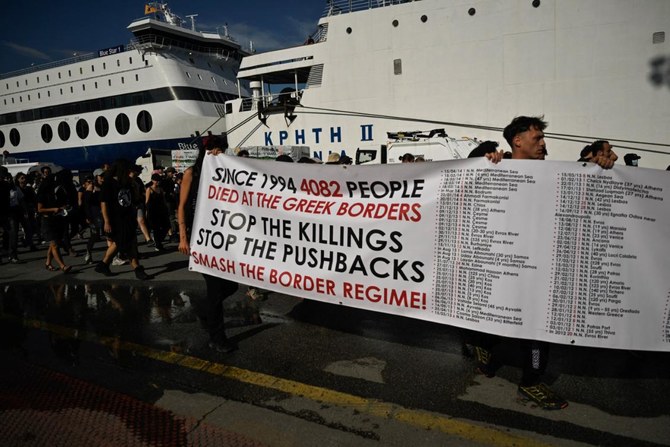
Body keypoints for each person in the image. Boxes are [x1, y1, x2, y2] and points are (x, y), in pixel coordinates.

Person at [467, 116, 618, 410]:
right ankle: (487, 357)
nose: (543, 144)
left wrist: (602, 166)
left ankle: (531, 381)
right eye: (537, 138)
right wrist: (485, 164)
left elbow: (583, 181)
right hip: (502, 266)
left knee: (536, 327)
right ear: (517, 141)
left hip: (537, 270)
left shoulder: (553, 173)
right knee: (495, 317)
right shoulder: (493, 167)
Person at [178, 135, 239, 353]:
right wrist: (183, 237)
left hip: (221, 239)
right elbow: (182, 207)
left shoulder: (225, 173)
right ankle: (217, 338)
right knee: (215, 289)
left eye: (219, 149)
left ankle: (205, 311)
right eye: (212, 148)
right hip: (201, 239)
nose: (215, 152)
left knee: (231, 285)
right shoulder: (192, 173)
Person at [95, 159, 149, 280]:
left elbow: (134, 199)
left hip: (128, 217)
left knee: (125, 242)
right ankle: (137, 269)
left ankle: (103, 264)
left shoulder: (126, 182)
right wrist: (107, 221)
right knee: (125, 243)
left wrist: (134, 186)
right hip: (116, 219)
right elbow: (104, 203)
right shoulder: (109, 183)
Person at [36, 171, 72, 273]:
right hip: (47, 221)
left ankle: (48, 262)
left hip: (55, 219)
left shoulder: (53, 193)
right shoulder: (42, 194)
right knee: (54, 244)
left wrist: (62, 207)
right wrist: (53, 209)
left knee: (53, 244)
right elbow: (40, 209)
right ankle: (63, 266)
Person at [145, 173, 171, 251]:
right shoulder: (149, 189)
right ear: (152, 180)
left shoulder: (161, 189)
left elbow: (164, 200)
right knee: (156, 229)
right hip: (153, 211)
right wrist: (147, 212)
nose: (158, 182)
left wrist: (166, 208)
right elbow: (147, 202)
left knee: (166, 226)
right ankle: (158, 245)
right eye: (156, 180)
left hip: (161, 210)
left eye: (159, 180)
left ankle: (158, 240)